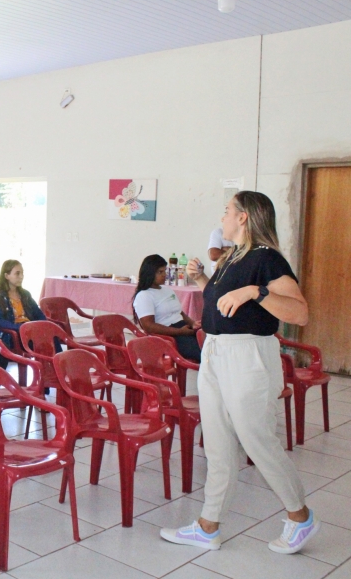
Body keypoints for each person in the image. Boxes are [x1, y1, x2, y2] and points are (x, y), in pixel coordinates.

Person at [162, 191, 318, 554]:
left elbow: (300, 314)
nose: (223, 216)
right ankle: (207, 526)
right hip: (216, 351)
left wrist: (255, 291)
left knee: (256, 439)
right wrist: (202, 280)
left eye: (227, 210)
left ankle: (301, 517)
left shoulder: (267, 260)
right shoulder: (232, 256)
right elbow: (223, 304)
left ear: (244, 217)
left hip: (248, 355)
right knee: (218, 444)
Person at [131, 254, 202, 362]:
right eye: (160, 272)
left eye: (165, 271)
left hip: (182, 328)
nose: (165, 275)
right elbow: (149, 326)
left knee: (211, 344)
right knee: (202, 353)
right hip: (168, 334)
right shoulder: (144, 295)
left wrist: (192, 324)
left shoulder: (167, 290)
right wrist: (180, 332)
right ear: (150, 273)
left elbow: (180, 313)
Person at [0, 259, 46, 349]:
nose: (21, 276)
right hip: (14, 335)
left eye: (22, 273)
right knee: (44, 339)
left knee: (50, 334)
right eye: (17, 273)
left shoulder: (25, 294)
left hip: (30, 330)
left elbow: (38, 313)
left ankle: (59, 361)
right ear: (6, 276)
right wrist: (18, 327)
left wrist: (42, 325)